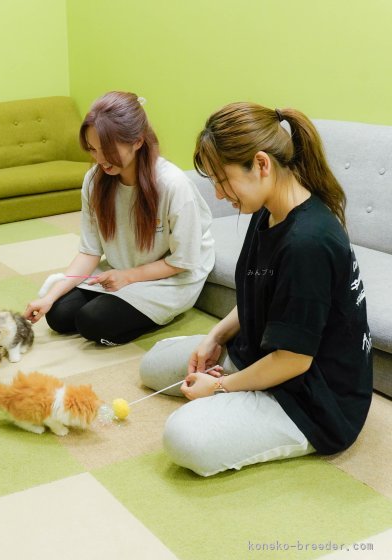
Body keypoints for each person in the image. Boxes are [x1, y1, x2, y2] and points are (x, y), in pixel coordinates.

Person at [140, 102, 373, 476]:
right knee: (154, 366)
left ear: (261, 164)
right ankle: (242, 385)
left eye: (222, 180)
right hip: (264, 349)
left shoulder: (307, 243)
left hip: (314, 397)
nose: (218, 194)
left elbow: (295, 360)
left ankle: (246, 394)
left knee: (183, 436)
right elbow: (262, 292)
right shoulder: (269, 210)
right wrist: (215, 336)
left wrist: (220, 389)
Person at [24, 91, 214, 345]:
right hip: (120, 271)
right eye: (92, 149)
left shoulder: (173, 185)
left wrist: (129, 276)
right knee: (58, 315)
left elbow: (183, 260)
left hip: (170, 277)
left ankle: (147, 313)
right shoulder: (95, 180)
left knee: (92, 322)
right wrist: (49, 296)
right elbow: (90, 252)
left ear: (137, 141)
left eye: (108, 149)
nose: (100, 159)